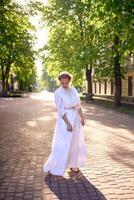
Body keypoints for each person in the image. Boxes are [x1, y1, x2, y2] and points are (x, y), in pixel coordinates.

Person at [43, 71, 86, 177]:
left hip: (75, 118)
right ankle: (57, 165)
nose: (64, 85)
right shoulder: (58, 93)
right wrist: (67, 123)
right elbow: (60, 110)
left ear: (69, 81)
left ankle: (73, 164)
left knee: (75, 142)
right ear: (60, 82)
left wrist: (82, 118)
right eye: (62, 83)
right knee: (64, 142)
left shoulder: (73, 89)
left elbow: (78, 105)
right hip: (65, 120)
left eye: (66, 83)